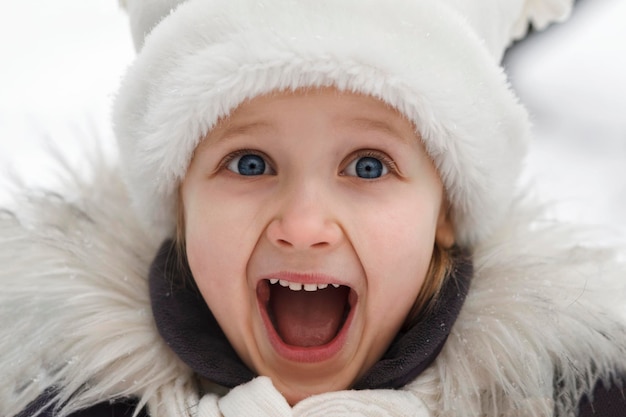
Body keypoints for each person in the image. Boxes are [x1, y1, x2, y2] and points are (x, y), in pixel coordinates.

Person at [2, 0, 625, 416]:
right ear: (180, 203)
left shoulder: (581, 397)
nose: (302, 227)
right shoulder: (56, 399)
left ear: (446, 212)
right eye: (250, 163)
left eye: (368, 166)